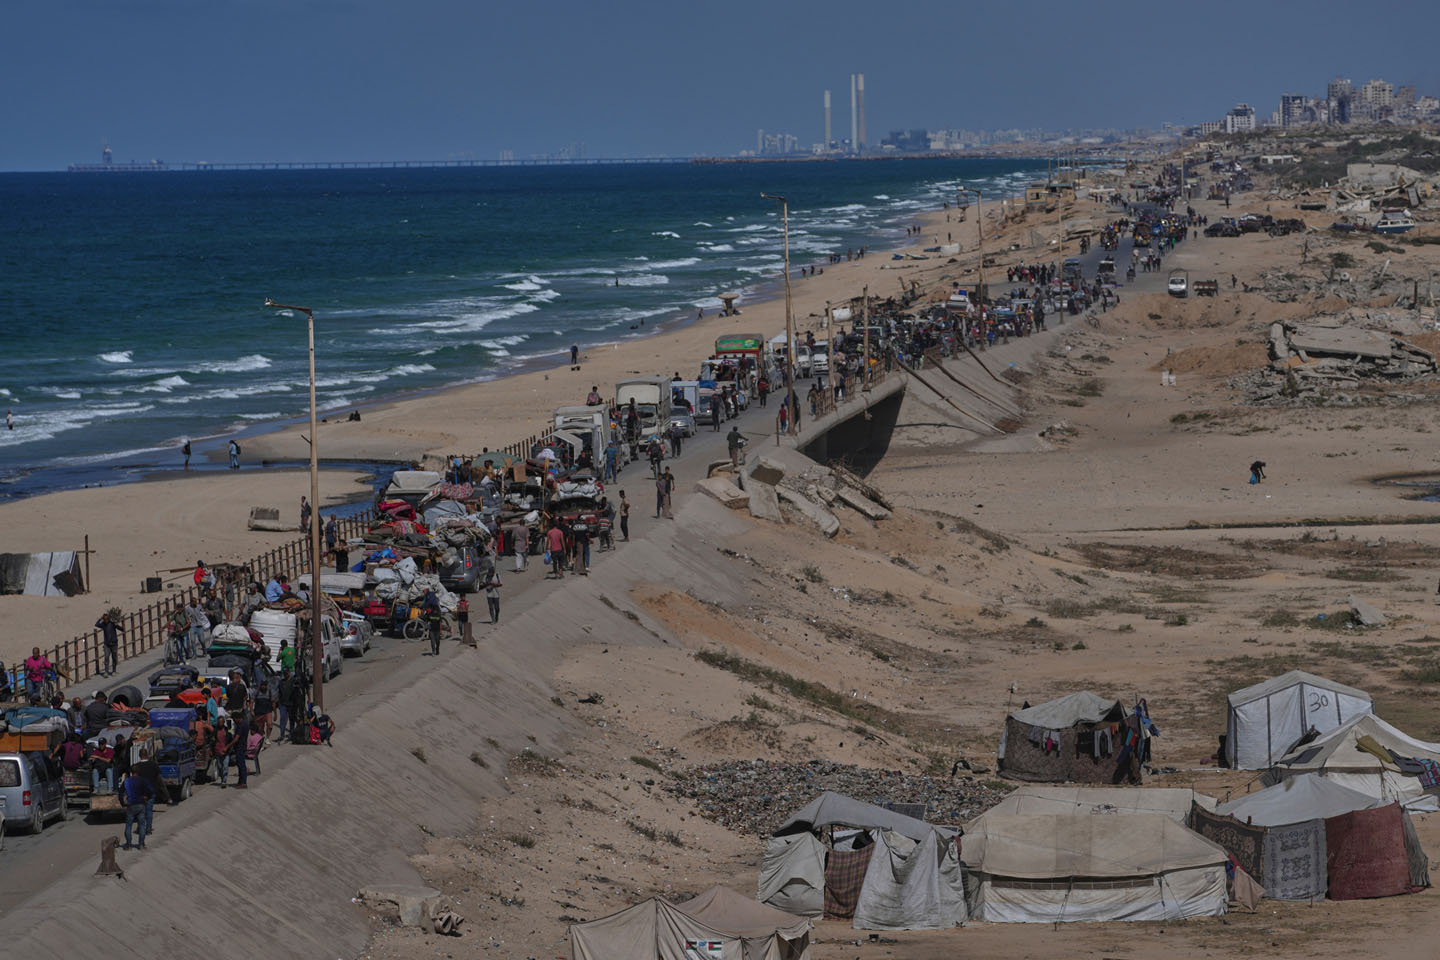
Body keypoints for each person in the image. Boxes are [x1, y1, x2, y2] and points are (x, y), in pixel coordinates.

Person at [120, 768, 154, 849]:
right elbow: (151, 790)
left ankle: (128, 845)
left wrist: (122, 803)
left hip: (131, 805)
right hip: (141, 804)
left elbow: (120, 792)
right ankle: (141, 844)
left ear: (131, 772)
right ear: (139, 772)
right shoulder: (143, 780)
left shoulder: (127, 781)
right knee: (142, 825)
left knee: (128, 825)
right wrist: (147, 797)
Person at [96, 608, 124, 677]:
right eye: (104, 619)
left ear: (108, 619)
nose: (105, 620)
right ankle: (106, 672)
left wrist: (117, 624)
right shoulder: (102, 624)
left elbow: (122, 629)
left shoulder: (112, 624)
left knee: (114, 657)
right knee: (106, 657)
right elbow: (96, 624)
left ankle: (114, 671)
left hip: (114, 643)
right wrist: (100, 618)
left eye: (106, 619)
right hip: (106, 644)